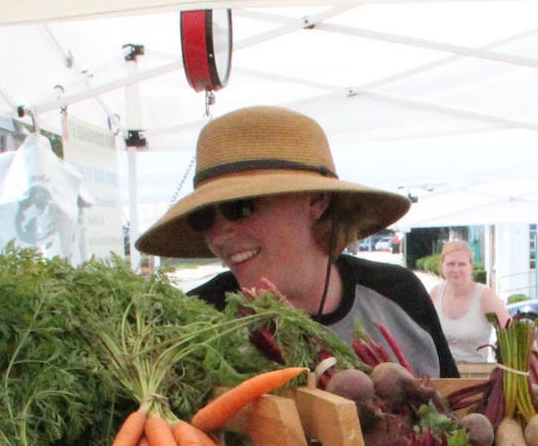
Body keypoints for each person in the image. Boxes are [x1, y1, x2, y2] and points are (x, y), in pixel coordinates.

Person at [137, 106, 457, 377]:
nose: (219, 236)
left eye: (241, 207)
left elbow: (459, 425)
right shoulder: (197, 323)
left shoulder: (396, 294)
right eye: (204, 218)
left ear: (316, 201)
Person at [430, 237, 509, 365]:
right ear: (442, 266)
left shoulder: (485, 296)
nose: (456, 270)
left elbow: (510, 332)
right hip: (441, 374)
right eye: (451, 264)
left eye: (462, 264)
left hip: (476, 374)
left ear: (471, 266)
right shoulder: (434, 294)